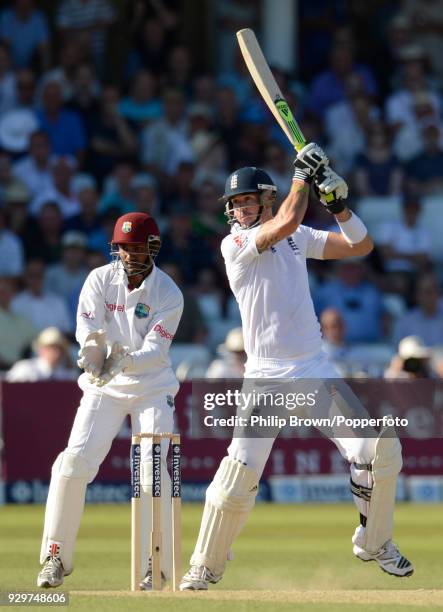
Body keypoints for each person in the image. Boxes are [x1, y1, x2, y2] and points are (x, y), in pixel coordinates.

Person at [180, 143, 413, 590]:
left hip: (313, 370)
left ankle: (374, 540)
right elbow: (286, 218)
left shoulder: (296, 236)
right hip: (264, 377)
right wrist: (303, 177)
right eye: (235, 204)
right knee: (237, 478)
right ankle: (205, 567)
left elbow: (360, 245)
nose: (240, 210)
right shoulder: (236, 244)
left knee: (379, 451)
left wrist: (340, 206)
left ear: (265, 199)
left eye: (247, 201)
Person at [36, 212, 183, 590]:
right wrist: (91, 351)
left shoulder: (168, 293)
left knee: (153, 471)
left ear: (153, 247)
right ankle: (55, 556)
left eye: (137, 247)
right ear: (114, 248)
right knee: (71, 464)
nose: (130, 255)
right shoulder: (99, 279)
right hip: (105, 385)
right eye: (123, 247)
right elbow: (88, 327)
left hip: (152, 387)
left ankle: (158, 564)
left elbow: (155, 349)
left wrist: (124, 358)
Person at [6, 326, 76, 382]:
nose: (56, 352)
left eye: (60, 348)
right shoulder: (24, 369)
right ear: (41, 349)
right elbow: (7, 391)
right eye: (52, 347)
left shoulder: (68, 376)